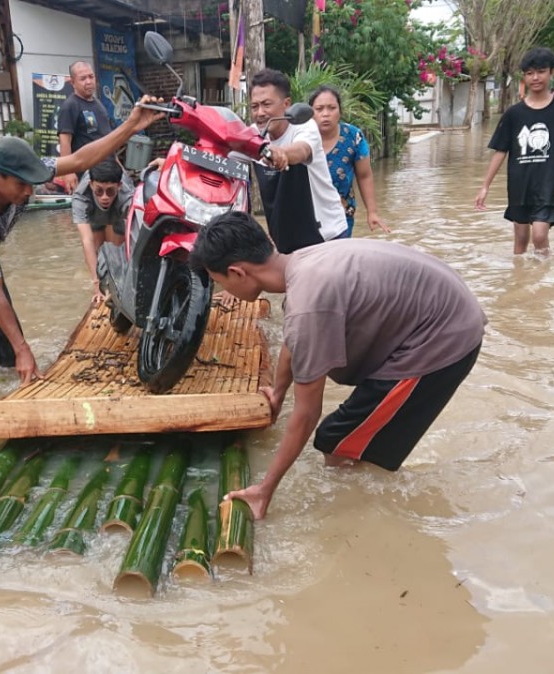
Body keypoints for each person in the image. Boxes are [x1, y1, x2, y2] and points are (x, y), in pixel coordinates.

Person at [190, 211, 486, 520]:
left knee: (338, 444)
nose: (223, 293)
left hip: (443, 341)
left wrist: (265, 489)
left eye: (217, 281)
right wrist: (278, 393)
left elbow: (306, 415)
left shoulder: (307, 303)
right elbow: (294, 342)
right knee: (348, 438)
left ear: (238, 273)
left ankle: (365, 519)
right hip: (442, 318)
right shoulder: (302, 264)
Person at [0, 98, 162, 385]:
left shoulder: (22, 171)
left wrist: (131, 125)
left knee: (1, 337)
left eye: (32, 182)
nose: (30, 190)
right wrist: (24, 349)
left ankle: (8, 375)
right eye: (21, 185)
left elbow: (81, 160)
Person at [475, 47, 554, 256]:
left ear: (551, 73)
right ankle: (520, 279)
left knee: (539, 236)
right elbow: (500, 152)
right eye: (529, 73)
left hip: (548, 184)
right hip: (520, 185)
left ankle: (544, 283)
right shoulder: (514, 114)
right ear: (524, 77)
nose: (535, 78)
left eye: (540, 71)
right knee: (521, 241)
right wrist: (485, 186)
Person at [249, 68, 349, 253]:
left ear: (286, 104)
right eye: (255, 106)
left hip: (326, 236)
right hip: (287, 242)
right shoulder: (253, 134)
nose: (260, 113)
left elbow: (302, 149)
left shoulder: (304, 125)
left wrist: (281, 153)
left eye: (266, 104)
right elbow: (228, 148)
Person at [308, 85, 390, 238]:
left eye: (331, 108)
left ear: (340, 111)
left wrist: (372, 212)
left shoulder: (353, 136)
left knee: (339, 259)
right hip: (307, 215)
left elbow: (364, 175)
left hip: (342, 214)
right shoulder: (301, 137)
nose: (325, 114)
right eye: (319, 109)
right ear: (310, 113)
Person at [72, 158, 133, 302]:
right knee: (95, 242)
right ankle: (98, 277)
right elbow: (87, 240)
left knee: (119, 246)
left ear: (119, 186)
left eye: (110, 191)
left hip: (119, 209)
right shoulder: (81, 198)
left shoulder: (128, 197)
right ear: (90, 185)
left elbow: (135, 239)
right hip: (93, 211)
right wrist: (96, 285)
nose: (104, 197)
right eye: (99, 191)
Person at [57, 61, 113, 192]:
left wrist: (117, 165)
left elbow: (108, 139)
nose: (88, 81)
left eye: (91, 77)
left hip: (108, 171)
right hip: (87, 175)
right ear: (73, 82)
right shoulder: (70, 106)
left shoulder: (98, 104)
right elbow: (65, 140)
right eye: (83, 78)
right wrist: (68, 172)